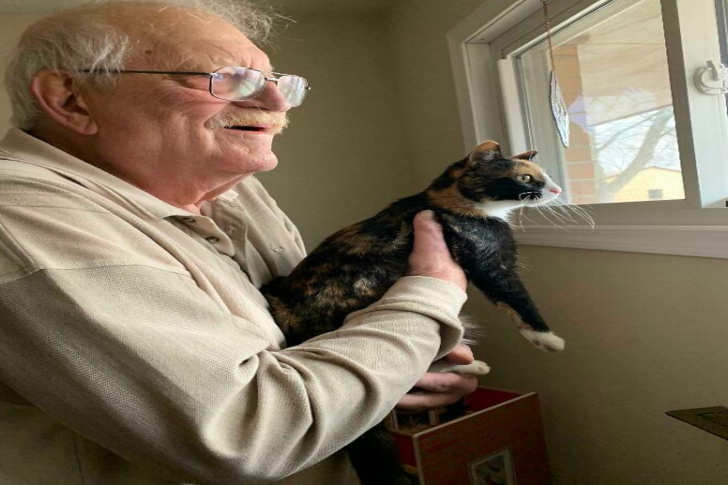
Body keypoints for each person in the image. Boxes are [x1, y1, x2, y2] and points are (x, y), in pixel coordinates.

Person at [0, 1, 478, 483]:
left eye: (279, 83)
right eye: (227, 78)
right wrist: (430, 295)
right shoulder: (18, 213)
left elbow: (303, 341)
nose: (277, 103)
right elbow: (252, 433)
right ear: (71, 100)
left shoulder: (231, 189)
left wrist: (395, 368)